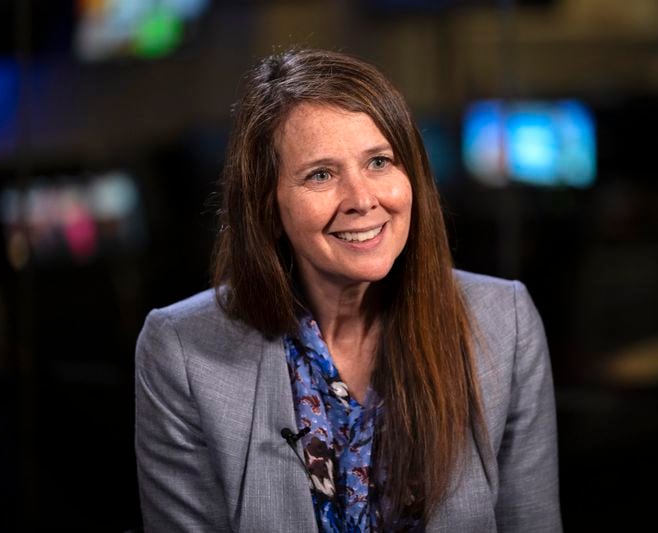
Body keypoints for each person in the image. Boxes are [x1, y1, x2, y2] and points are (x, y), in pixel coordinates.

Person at [135, 48, 561, 532]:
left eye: (379, 162)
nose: (362, 199)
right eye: (321, 174)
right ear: (268, 207)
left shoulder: (505, 322)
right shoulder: (182, 351)